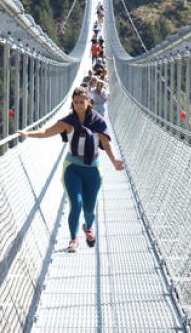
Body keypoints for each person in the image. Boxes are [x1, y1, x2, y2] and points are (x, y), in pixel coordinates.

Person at [19, 87, 124, 252]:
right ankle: (73, 239)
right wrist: (28, 134)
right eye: (76, 102)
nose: (79, 105)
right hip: (72, 168)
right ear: (72, 103)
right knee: (76, 204)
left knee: (89, 208)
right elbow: (47, 132)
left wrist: (114, 161)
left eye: (82, 102)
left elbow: (106, 143)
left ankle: (88, 228)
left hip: (93, 170)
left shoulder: (98, 122)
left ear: (89, 102)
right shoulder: (67, 122)